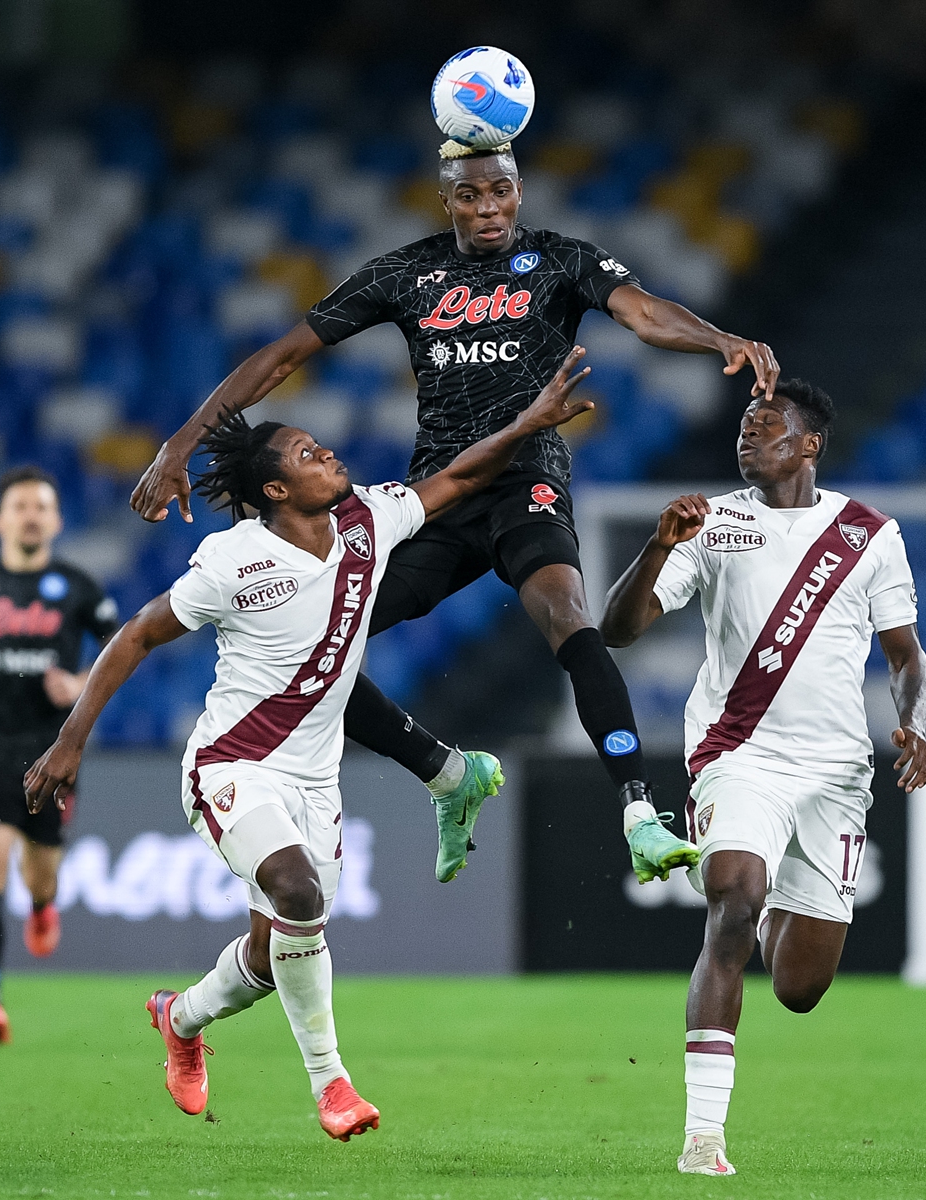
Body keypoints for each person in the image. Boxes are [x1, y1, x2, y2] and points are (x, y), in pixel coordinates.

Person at [129, 138, 779, 884]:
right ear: (447, 203)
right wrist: (180, 444)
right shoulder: (404, 273)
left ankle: (638, 812)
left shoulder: (563, 261)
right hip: (434, 496)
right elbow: (281, 356)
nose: (487, 208)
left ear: (519, 191)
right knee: (316, 641)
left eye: (499, 191)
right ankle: (447, 775)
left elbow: (643, 314)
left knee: (568, 614)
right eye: (470, 197)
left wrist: (717, 338)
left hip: (522, 478)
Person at [25, 349, 593, 1139]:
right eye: (305, 453)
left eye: (320, 446)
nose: (327, 454)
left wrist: (529, 424)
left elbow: (457, 480)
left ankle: (181, 1019)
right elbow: (134, 636)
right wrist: (70, 741)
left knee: (271, 954)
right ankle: (332, 1087)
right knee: (298, 893)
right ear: (274, 491)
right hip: (232, 765)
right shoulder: (232, 560)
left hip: (314, 783)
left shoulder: (366, 520)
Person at [599, 379, 926, 1176]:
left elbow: (905, 655)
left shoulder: (867, 533)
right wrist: (656, 545)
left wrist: (913, 725)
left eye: (766, 427)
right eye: (744, 428)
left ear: (807, 444)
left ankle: (790, 891)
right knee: (732, 898)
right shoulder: (711, 523)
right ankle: (702, 1136)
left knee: (797, 987)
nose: (747, 438)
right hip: (735, 751)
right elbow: (618, 630)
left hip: (833, 771)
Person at [0, 466, 118, 1045]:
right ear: (0, 519)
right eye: (21, 506)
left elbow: (123, 647)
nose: (31, 515)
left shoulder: (78, 586)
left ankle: (42, 905)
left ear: (56, 520)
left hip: (52, 752)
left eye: (41, 506)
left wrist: (83, 680)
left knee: (41, 871)